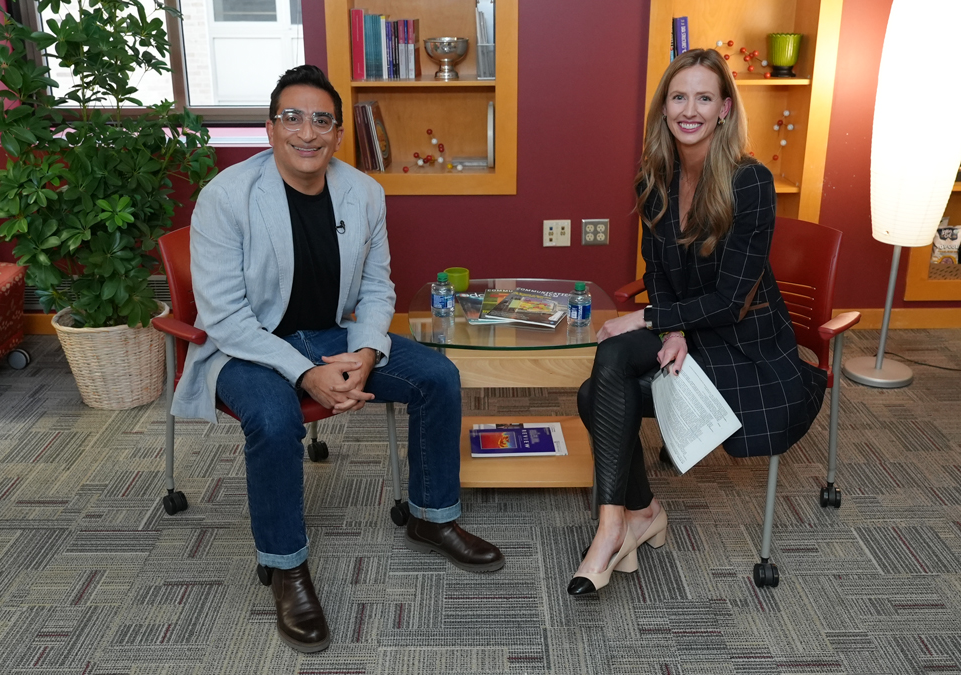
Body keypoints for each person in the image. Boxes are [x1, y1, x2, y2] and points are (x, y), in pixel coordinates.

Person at [171, 65, 505, 652]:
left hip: (332, 333)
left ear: (338, 132)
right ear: (270, 129)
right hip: (248, 344)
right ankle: (285, 566)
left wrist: (367, 354)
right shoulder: (225, 197)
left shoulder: (363, 193)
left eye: (321, 120)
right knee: (275, 420)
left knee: (438, 376)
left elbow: (378, 288)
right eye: (292, 118)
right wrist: (306, 373)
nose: (307, 132)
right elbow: (224, 317)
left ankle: (433, 515)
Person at [568, 49, 826, 595]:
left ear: (724, 109)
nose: (690, 110)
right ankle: (618, 522)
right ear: (664, 108)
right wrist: (672, 328)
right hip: (690, 329)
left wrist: (652, 318)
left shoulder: (749, 181)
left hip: (744, 346)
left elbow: (733, 299)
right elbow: (657, 271)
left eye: (704, 98)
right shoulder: (653, 179)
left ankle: (633, 519)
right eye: (678, 97)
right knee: (609, 364)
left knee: (598, 395)